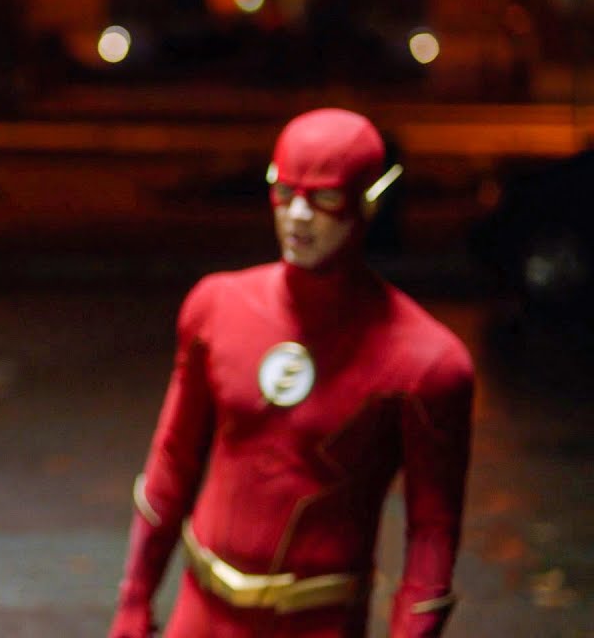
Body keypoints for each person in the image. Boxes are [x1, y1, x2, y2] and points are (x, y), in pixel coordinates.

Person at [107, 108, 474, 637]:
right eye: (284, 192)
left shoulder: (427, 363)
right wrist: (133, 601)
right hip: (201, 611)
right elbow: (172, 461)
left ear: (369, 200)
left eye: (324, 198)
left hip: (319, 621)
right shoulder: (217, 307)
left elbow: (432, 534)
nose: (298, 216)